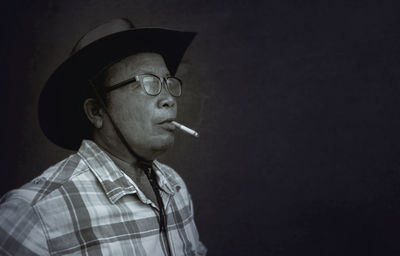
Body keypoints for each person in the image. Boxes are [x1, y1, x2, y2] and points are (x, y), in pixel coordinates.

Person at [0, 18, 206, 256]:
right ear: (96, 111)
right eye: (148, 82)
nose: (169, 99)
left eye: (168, 82)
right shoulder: (36, 211)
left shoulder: (175, 186)